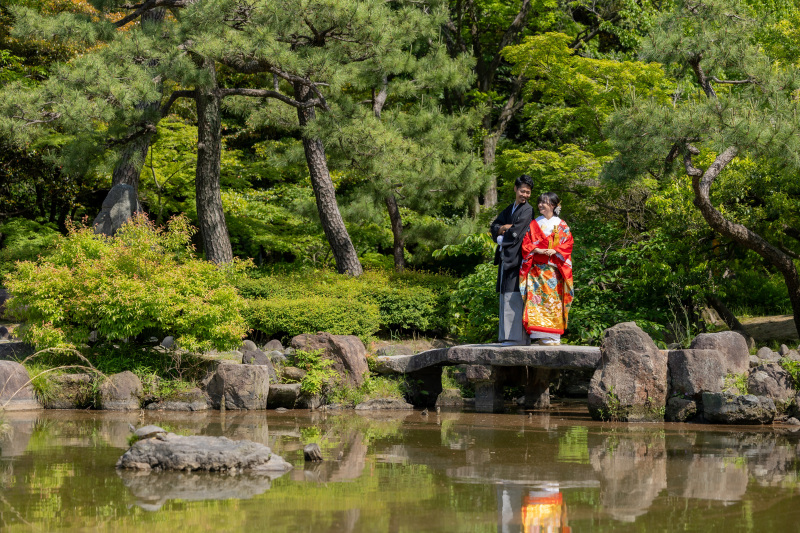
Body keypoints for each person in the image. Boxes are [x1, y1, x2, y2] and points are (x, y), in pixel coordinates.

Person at [520, 192, 573, 346]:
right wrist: (538, 250)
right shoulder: (534, 224)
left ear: (553, 205)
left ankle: (554, 336)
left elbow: (568, 243)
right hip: (537, 270)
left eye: (544, 202)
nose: (540, 205)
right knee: (537, 301)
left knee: (553, 301)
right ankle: (541, 335)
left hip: (554, 269)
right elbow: (526, 244)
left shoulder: (561, 224)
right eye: (540, 202)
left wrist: (556, 251)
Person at [490, 175, 534, 346]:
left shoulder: (527, 210)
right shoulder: (510, 209)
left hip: (517, 258)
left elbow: (517, 232)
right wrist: (503, 228)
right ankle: (505, 336)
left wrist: (503, 236)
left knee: (514, 295)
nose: (525, 195)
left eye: (528, 192)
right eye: (522, 191)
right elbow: (494, 226)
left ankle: (515, 338)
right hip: (506, 257)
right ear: (515, 189)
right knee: (505, 294)